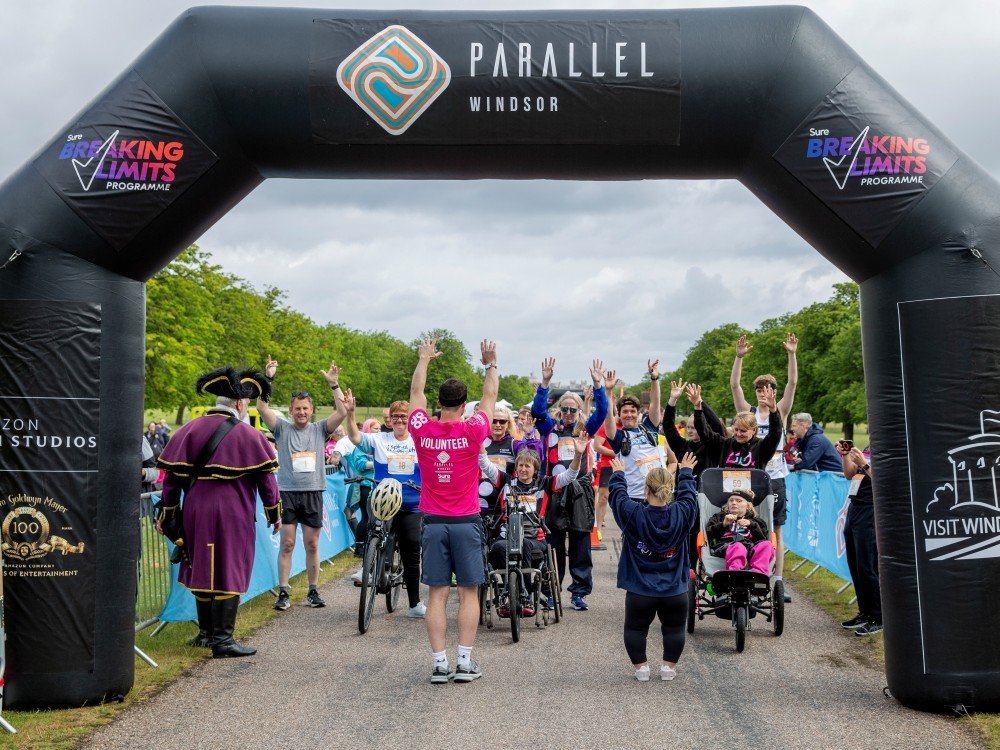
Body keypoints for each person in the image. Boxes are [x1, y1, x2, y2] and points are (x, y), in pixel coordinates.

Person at [156, 367, 280, 658]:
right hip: (232, 512)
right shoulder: (249, 435)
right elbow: (267, 483)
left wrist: (167, 515)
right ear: (238, 403)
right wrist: (275, 515)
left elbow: (172, 482)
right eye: (246, 403)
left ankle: (206, 633)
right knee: (228, 567)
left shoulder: (186, 430)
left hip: (196, 510)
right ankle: (222, 640)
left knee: (201, 564)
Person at [408, 336, 498, 683]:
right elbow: (489, 397)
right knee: (469, 591)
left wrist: (424, 360)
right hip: (465, 521)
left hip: (432, 522)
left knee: (436, 593)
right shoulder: (473, 428)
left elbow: (416, 394)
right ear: (464, 405)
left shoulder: (421, 428)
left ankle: (439, 665)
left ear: (440, 403)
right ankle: (464, 663)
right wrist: (490, 364)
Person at [256, 356, 349, 612]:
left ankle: (312, 590)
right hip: (287, 493)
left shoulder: (320, 429)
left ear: (311, 410)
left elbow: (342, 411)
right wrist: (269, 378)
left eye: (306, 408)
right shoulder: (282, 429)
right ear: (291, 409)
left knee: (312, 544)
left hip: (312, 494)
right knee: (287, 544)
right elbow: (262, 408)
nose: (301, 412)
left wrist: (334, 384)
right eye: (297, 408)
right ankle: (284, 591)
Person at [609, 452, 699, 682]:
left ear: (646, 490)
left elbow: (618, 498)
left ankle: (642, 669)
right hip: (675, 590)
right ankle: (668, 668)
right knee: (674, 628)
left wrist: (619, 475)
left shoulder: (633, 514)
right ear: (669, 490)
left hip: (640, 589)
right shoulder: (682, 513)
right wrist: (686, 472)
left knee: (635, 628)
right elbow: (689, 497)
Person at [530, 357, 609, 612]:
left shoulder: (587, 430)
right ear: (559, 410)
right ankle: (551, 590)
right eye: (564, 409)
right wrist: (544, 383)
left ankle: (579, 592)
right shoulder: (549, 427)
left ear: (579, 412)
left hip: (580, 492)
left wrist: (598, 385)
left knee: (580, 544)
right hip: (553, 490)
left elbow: (603, 411)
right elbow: (538, 411)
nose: (568, 413)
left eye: (573, 410)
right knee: (552, 544)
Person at [478, 436, 586, 616]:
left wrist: (578, 455)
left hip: (534, 539)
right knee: (496, 548)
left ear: (535, 469)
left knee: (524, 545)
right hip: (507, 536)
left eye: (527, 466)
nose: (523, 469)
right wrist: (480, 444)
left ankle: (525, 594)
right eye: (520, 465)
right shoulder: (506, 482)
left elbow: (570, 475)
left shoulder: (544, 483)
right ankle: (509, 591)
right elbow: (486, 465)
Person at [342, 394, 426, 618]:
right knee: (374, 529)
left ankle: (415, 603)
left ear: (410, 420)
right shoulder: (380, 439)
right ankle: (369, 562)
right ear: (390, 420)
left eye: (404, 417)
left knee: (411, 547)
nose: (400, 421)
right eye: (396, 417)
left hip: (411, 504)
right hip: (383, 502)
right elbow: (354, 436)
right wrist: (350, 413)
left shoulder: (418, 441)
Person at [731, 333, 797, 599]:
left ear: (774, 392)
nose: (763, 395)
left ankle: (778, 581)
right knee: (741, 521)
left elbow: (793, 382)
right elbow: (735, 386)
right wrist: (738, 358)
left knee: (775, 530)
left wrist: (792, 354)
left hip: (776, 477)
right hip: (750, 478)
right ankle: (741, 568)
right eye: (759, 390)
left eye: (768, 390)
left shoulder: (780, 411)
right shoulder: (747, 413)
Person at [604, 359, 678, 502]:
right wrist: (608, 391)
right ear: (619, 414)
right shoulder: (618, 437)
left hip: (659, 495)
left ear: (638, 413)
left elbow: (655, 403)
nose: (629, 414)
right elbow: (607, 416)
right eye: (625, 411)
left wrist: (654, 378)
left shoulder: (650, 428)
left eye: (633, 411)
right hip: (634, 497)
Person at [836, 441, 881, 636]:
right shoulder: (868, 448)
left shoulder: (890, 450)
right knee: (855, 564)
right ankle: (865, 612)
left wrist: (864, 463)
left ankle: (878, 617)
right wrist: (845, 455)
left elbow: (885, 483)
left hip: (871, 510)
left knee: (867, 565)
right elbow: (849, 475)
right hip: (855, 506)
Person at [687, 383, 782, 472]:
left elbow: (775, 433)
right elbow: (704, 432)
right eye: (736, 430)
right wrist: (698, 407)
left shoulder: (762, 447)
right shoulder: (724, 444)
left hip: (753, 489)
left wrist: (773, 411)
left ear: (753, 430)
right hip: (727, 489)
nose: (738, 434)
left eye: (743, 431)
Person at [705, 490, 774, 574]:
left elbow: (762, 539)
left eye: (739, 501)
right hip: (726, 546)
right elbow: (708, 535)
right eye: (731, 500)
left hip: (750, 547)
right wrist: (723, 524)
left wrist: (751, 525)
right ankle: (734, 573)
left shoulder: (756, 521)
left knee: (767, 544)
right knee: (738, 546)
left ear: (748, 506)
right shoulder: (719, 517)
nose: (734, 503)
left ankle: (758, 573)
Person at [477, 407, 517, 519]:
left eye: (502, 421)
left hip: (503, 503)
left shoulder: (514, 444)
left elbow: (531, 459)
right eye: (494, 421)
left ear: (508, 424)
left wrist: (529, 435)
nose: (497, 424)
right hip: (480, 503)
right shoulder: (480, 442)